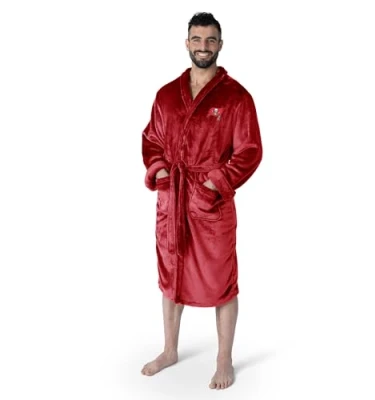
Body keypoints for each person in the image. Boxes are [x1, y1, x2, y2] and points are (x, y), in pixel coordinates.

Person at [140, 12, 263, 390]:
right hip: (172, 201)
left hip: (211, 205)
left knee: (222, 280)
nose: (203, 47)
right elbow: (151, 139)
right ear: (187, 43)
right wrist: (161, 170)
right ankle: (169, 350)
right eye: (197, 39)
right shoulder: (166, 95)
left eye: (210, 40)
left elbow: (250, 151)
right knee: (170, 276)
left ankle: (224, 359)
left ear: (220, 45)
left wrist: (214, 184)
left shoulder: (236, 97)